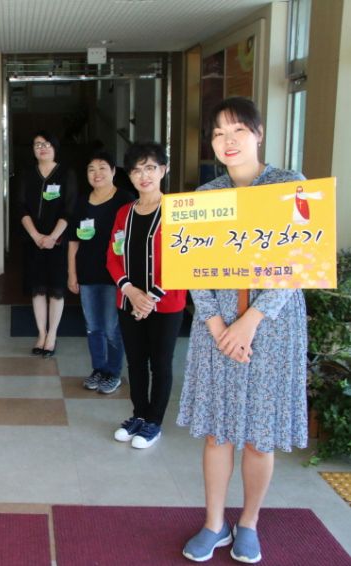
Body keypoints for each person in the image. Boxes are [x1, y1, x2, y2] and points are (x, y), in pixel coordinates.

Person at [178, 97, 308, 564]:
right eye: (218, 133)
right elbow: (194, 268)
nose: (227, 141)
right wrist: (217, 326)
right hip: (216, 327)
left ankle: (249, 522)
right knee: (218, 432)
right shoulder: (206, 196)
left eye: (237, 131)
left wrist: (251, 320)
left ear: (258, 134)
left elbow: (299, 260)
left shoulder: (289, 185)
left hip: (272, 327)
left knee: (259, 434)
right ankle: (214, 523)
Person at [106, 142, 186, 449]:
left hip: (166, 302)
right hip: (128, 300)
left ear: (163, 170)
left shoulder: (177, 211)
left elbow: (182, 258)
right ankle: (138, 415)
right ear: (129, 175)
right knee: (136, 362)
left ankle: (154, 422)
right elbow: (113, 256)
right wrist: (129, 289)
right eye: (137, 170)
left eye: (150, 168)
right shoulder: (124, 213)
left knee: (160, 364)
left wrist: (149, 297)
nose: (144, 176)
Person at [68, 150, 134, 394]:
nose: (97, 173)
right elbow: (73, 241)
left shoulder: (125, 199)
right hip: (87, 272)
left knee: (110, 326)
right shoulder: (81, 202)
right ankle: (98, 369)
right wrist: (72, 274)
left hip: (114, 276)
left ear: (113, 171)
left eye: (102, 168)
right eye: (91, 169)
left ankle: (113, 372)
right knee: (92, 326)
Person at [16, 130, 76, 356]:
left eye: (47, 143)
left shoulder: (66, 173)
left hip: (57, 242)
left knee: (56, 290)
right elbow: (21, 206)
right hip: (33, 241)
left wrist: (52, 237)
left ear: (55, 147)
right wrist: (36, 236)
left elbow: (69, 208)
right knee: (38, 288)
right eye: (37, 144)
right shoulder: (27, 174)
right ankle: (41, 333)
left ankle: (52, 335)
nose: (42, 148)